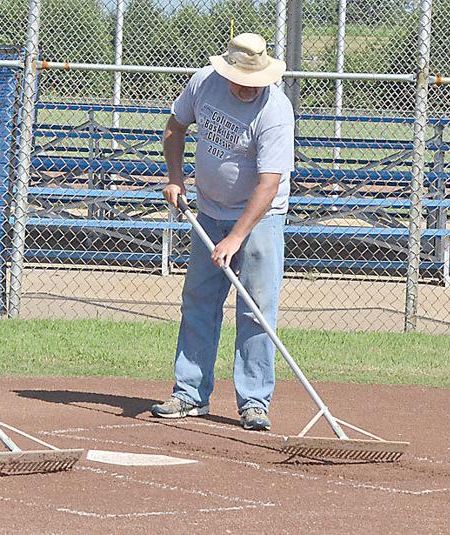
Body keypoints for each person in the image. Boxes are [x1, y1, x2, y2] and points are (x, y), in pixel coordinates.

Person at [149, 33, 295, 431]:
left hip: (261, 218)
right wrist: (175, 178)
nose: (245, 86)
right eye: (240, 78)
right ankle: (190, 393)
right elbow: (174, 128)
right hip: (209, 213)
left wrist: (237, 237)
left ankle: (254, 401)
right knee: (198, 301)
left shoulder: (276, 111)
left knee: (256, 307)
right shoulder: (203, 84)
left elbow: (268, 183)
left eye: (253, 80)